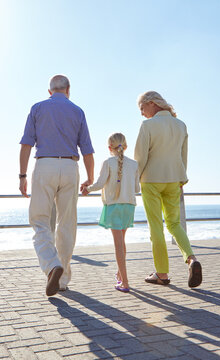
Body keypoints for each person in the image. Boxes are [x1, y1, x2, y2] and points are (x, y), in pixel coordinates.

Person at [19, 75, 95, 296]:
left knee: (40, 221)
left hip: (45, 165)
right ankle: (61, 281)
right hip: (71, 167)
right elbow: (88, 151)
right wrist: (89, 178)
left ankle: (52, 265)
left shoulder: (38, 108)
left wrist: (22, 175)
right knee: (67, 224)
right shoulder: (78, 111)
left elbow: (26, 144)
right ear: (68, 89)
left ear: (49, 91)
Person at [134, 91, 202, 288]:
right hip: (174, 180)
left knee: (156, 227)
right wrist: (182, 178)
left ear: (152, 103)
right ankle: (191, 259)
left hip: (151, 180)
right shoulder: (181, 125)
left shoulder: (148, 125)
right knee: (174, 224)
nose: (141, 113)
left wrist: (134, 182)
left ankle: (162, 274)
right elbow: (183, 156)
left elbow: (140, 158)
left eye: (142, 108)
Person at [83, 133, 140, 293]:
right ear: (126, 146)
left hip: (114, 206)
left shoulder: (108, 163)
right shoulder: (134, 164)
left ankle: (125, 282)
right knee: (122, 242)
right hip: (129, 206)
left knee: (118, 244)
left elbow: (100, 183)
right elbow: (137, 189)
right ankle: (120, 275)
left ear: (109, 148)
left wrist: (87, 189)